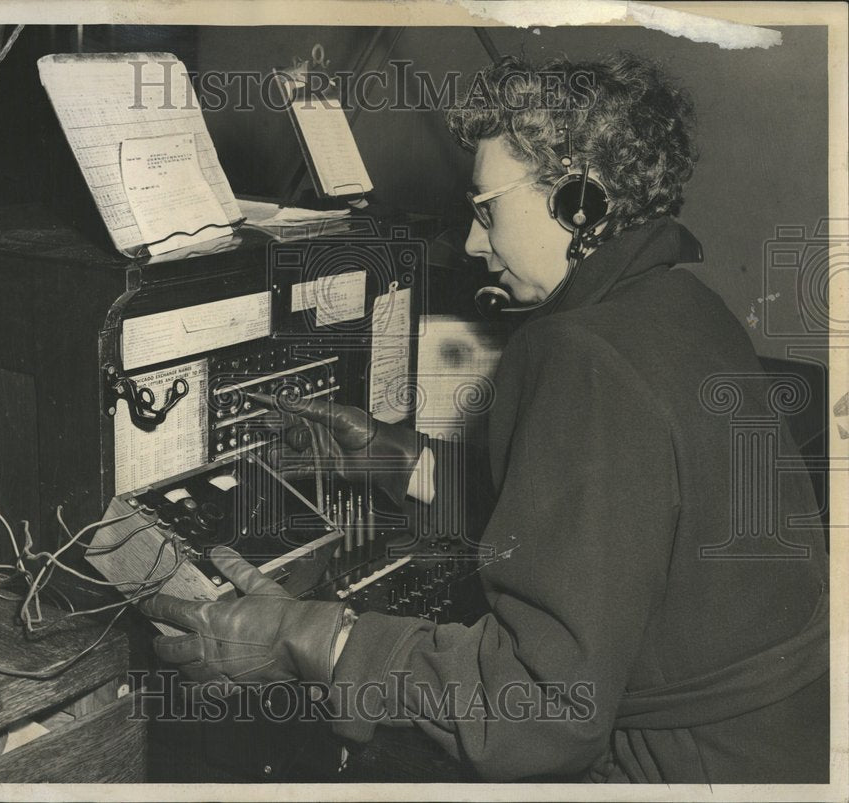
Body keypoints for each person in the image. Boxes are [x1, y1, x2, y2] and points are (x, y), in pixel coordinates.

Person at [140, 53, 829, 783]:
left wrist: (305, 637)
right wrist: (401, 461)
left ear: (580, 204)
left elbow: (533, 710)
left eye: (486, 209)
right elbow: (604, 528)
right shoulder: (684, 305)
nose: (474, 244)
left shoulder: (582, 352)